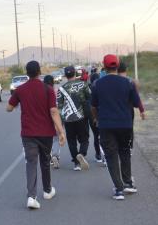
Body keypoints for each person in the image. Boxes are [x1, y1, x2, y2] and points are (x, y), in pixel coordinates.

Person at [7, 61, 66, 210]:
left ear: (27, 73)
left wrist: (18, 106)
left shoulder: (20, 90)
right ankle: (47, 191)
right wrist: (61, 131)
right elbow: (53, 111)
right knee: (45, 161)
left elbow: (8, 107)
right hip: (46, 133)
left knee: (31, 163)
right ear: (39, 72)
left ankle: (31, 197)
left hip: (28, 133)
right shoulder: (47, 89)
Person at [91, 54, 142, 200]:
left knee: (111, 155)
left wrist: (97, 118)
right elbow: (135, 102)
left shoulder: (98, 84)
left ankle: (119, 190)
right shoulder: (128, 83)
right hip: (125, 124)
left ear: (104, 66)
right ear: (117, 65)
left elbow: (93, 106)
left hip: (106, 124)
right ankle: (129, 183)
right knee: (125, 152)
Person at [57, 66, 91, 171]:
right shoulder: (83, 84)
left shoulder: (61, 89)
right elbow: (90, 98)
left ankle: (76, 164)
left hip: (68, 119)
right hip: (81, 117)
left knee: (71, 141)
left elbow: (59, 106)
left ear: (65, 75)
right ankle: (81, 153)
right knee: (84, 139)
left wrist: (61, 122)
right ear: (75, 74)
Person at [117, 62, 146, 149]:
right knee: (129, 128)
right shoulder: (132, 82)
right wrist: (142, 110)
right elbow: (137, 98)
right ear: (126, 69)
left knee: (116, 128)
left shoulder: (112, 81)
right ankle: (129, 147)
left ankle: (118, 145)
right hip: (128, 110)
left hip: (115, 108)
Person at [43, 75, 61, 169]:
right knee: (56, 138)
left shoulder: (41, 91)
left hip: (44, 118)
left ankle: (49, 157)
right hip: (55, 117)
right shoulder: (56, 90)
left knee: (47, 139)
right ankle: (55, 156)